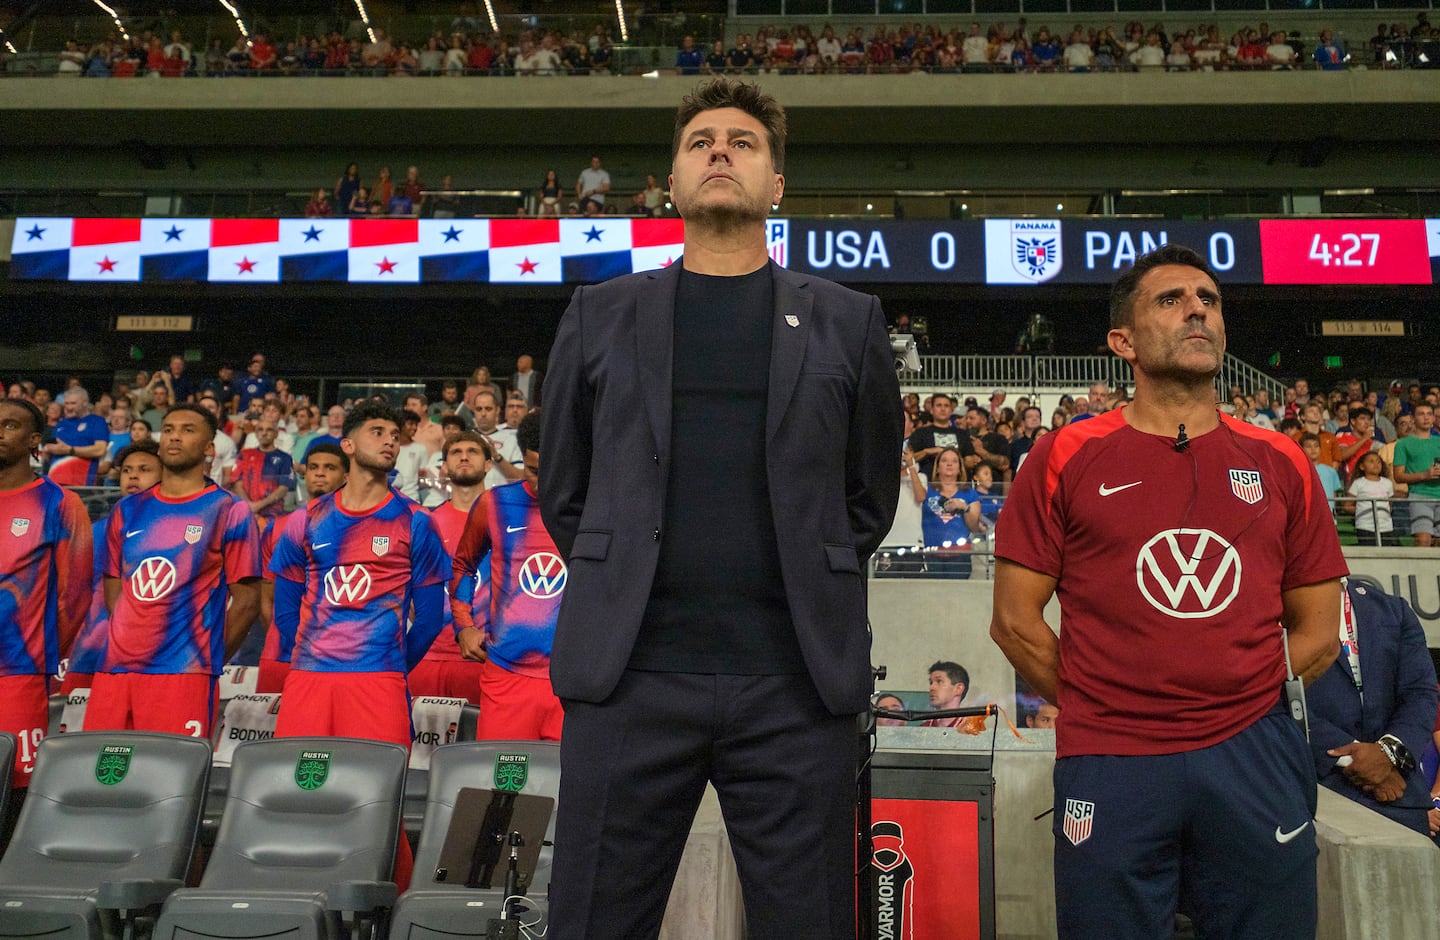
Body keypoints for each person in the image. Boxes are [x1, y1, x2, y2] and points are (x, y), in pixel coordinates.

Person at [539, 77, 901, 940]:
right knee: (590, 921)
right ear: (672, 180)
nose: (719, 153)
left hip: (795, 684)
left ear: (776, 185)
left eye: (743, 142)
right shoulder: (599, 314)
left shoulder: (849, 322)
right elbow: (567, 490)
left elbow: (867, 497)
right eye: (700, 141)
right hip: (629, 677)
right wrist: (625, 563)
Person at [990, 244, 1347, 938]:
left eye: (1208, 300)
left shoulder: (1281, 461)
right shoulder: (1064, 453)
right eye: (1172, 300)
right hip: (1112, 757)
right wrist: (1104, 702)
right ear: (1122, 341)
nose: (1197, 311)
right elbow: (1014, 623)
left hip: (1254, 751)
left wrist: (1242, 689)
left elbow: (1321, 632)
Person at [268, 401, 451, 890]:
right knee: (298, 795)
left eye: (395, 433)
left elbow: (431, 619)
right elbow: (285, 610)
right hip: (308, 680)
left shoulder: (416, 522)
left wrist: (389, 667)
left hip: (378, 682)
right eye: (377, 431)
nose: (390, 440)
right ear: (348, 444)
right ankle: (296, 899)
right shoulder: (303, 521)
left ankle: (389, 910)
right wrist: (309, 656)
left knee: (377, 804)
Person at [89, 404, 261, 737]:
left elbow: (248, 600)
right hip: (116, 670)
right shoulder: (128, 508)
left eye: (187, 430)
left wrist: (204, 660)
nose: (174, 437)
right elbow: (114, 583)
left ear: (210, 447)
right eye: (168, 429)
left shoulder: (229, 509)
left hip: (184, 675)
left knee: (168, 782)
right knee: (102, 781)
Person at [449, 413, 564, 739]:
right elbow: (463, 566)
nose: (542, 483)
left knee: (563, 787)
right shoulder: (495, 503)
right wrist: (464, 626)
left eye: (552, 471)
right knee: (501, 786)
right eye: (533, 471)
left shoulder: (594, 506)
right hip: (507, 674)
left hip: (573, 679)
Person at [0, 398, 92, 795]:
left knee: (14, 790)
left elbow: (74, 597)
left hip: (19, 670)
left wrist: (40, 652)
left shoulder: (59, 503)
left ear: (34, 439)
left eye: (9, 425)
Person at [1307, 580, 1439, 842]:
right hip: (1319, 796)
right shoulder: (1273, 612)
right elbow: (1279, 702)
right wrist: (1359, 761)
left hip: (1403, 799)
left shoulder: (1393, 610)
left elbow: (1421, 693)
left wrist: (1388, 754)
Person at [63, 441, 162, 695]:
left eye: (144, 469)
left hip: (154, 658)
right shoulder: (96, 531)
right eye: (127, 470)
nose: (133, 475)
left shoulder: (174, 531)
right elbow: (74, 591)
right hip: (90, 654)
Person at [254, 443, 348, 695]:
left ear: (347, 476)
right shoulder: (277, 528)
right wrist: (285, 639)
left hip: (336, 658)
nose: (319, 473)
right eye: (314, 468)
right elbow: (267, 597)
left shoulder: (358, 529)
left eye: (329, 468)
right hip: (279, 655)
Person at [410, 431, 492, 704]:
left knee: (478, 745)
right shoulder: (425, 522)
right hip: (428, 657)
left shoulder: (505, 521)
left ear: (488, 464)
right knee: (418, 746)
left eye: (473, 451)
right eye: (456, 452)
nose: (465, 456)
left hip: (485, 656)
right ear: (444, 466)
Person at [921, 447, 978, 579]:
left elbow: (974, 527)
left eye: (954, 461)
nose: (949, 464)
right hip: (931, 553)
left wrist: (965, 508)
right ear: (937, 467)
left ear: (960, 468)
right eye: (944, 460)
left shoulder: (970, 493)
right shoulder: (926, 490)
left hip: (959, 555)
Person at [1393, 402, 1440, 547]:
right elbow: (1398, 476)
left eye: (1429, 414)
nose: (1426, 418)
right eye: (1421, 414)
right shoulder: (1403, 444)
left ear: (1433, 418)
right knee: (1423, 541)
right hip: (1419, 495)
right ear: (1413, 419)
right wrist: (1424, 475)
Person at [44, 387, 109, 486]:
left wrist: (70, 450)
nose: (69, 407)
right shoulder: (61, 424)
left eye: (73, 403)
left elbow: (99, 449)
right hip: (55, 481)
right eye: (66, 403)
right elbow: (54, 450)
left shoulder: (97, 421)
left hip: (81, 482)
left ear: (85, 403)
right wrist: (48, 449)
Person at [1347, 452, 1397, 547]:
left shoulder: (1387, 483)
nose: (1376, 464)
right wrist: (1364, 510)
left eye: (1378, 462)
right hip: (1365, 526)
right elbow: (1347, 505)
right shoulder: (1358, 483)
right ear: (1362, 466)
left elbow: (1389, 504)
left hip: (1385, 527)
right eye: (1371, 461)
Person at [921, 660, 969, 728]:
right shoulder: (923, 729)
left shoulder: (971, 730)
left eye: (939, 681)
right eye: (931, 683)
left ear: (958, 689)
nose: (931, 688)